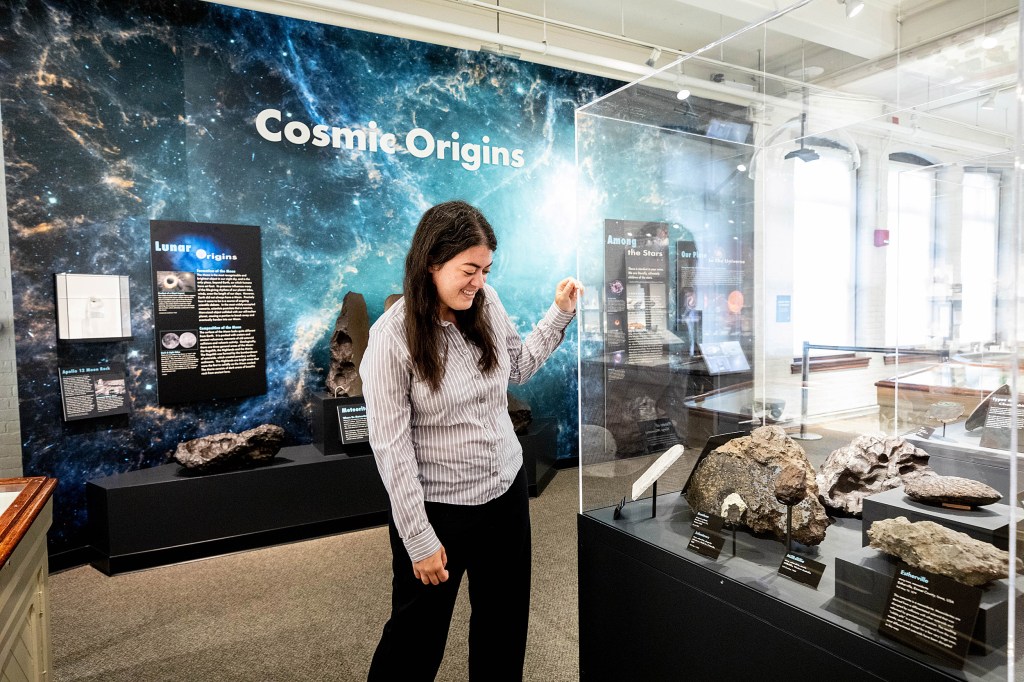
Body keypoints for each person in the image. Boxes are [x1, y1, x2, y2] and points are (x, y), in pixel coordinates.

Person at [361, 200, 581, 681]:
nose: (478, 281)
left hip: (505, 495)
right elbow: (392, 451)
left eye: (485, 269)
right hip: (440, 511)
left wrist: (559, 314)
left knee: (503, 632)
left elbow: (518, 366)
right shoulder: (391, 339)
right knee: (415, 642)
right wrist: (418, 539)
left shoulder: (486, 302)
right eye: (468, 269)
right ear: (431, 263)